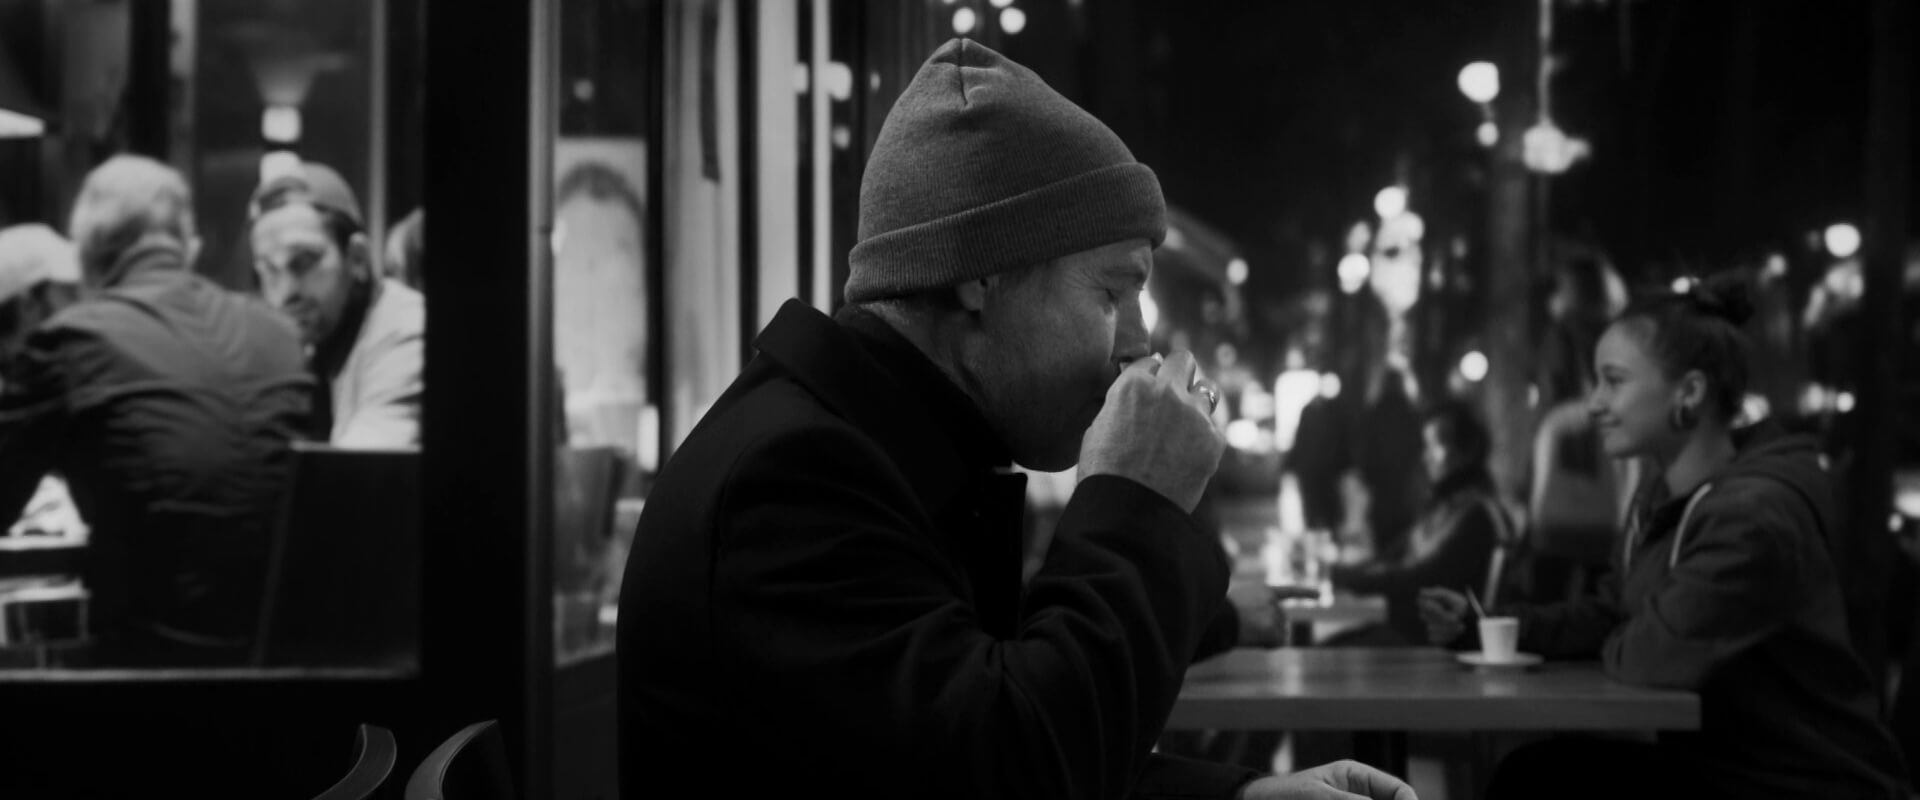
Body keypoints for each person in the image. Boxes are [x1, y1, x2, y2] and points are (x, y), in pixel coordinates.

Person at [617, 40, 1411, 800]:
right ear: (980, 277)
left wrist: (1244, 793)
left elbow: (962, 742)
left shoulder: (885, 455)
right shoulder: (791, 483)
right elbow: (1011, 774)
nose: (1135, 342)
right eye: (1112, 291)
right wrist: (1133, 507)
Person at [1419, 277, 1911, 800]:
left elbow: (1651, 656)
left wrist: (1640, 632)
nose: (1593, 404)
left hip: (1803, 783)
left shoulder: (1755, 519)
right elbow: (1617, 614)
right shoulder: (1663, 494)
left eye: (1614, 381)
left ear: (1690, 392)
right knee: (1538, 772)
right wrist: (1493, 628)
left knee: (1542, 779)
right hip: (1728, 766)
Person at [0, 155, 312, 665]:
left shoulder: (73, 340)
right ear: (185, 241)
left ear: (87, 254)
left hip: (147, 680)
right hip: (290, 675)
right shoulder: (280, 334)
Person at [249, 160, 424, 448]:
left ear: (357, 258)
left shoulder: (407, 331)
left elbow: (353, 478)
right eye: (269, 271)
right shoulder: (309, 341)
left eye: (303, 262)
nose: (286, 292)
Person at [1329, 400, 1506, 644]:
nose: (1425, 458)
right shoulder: (1444, 504)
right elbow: (1390, 556)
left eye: (1434, 446)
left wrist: (1342, 578)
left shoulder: (1475, 513)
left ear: (1466, 452)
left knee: (1331, 652)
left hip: (1428, 642)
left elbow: (1421, 577)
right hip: (1405, 631)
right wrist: (1336, 573)